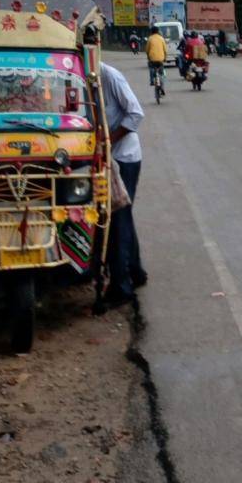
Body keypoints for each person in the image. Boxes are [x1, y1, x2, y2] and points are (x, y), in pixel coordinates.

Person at [97, 49, 147, 308]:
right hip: (106, 158)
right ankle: (135, 272)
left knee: (117, 218)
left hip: (124, 158)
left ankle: (122, 286)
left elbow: (136, 114)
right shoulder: (79, 78)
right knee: (122, 214)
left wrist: (107, 142)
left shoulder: (110, 76)